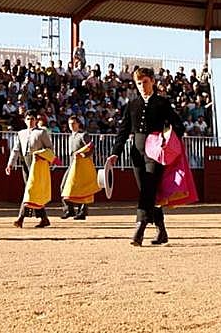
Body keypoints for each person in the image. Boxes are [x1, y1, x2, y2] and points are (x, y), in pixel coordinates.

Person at [105, 67, 184, 246]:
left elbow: (178, 125)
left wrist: (167, 139)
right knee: (148, 191)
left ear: (153, 82)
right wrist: (115, 153)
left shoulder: (162, 103)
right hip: (137, 153)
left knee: (148, 189)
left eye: (145, 82)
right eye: (139, 83)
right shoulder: (132, 105)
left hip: (156, 152)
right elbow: (123, 131)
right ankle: (161, 230)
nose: (142, 86)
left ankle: (139, 227)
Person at [5, 111, 54, 228]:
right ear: (24, 120)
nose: (30, 121)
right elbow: (16, 150)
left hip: (38, 163)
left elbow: (50, 149)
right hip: (25, 163)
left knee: (30, 190)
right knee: (32, 190)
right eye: (28, 119)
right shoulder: (21, 133)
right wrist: (10, 164)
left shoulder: (42, 133)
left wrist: (41, 155)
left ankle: (20, 218)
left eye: (32, 118)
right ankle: (44, 218)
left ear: (36, 120)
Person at [60, 115, 96, 220]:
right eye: (70, 124)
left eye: (74, 123)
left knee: (82, 188)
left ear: (78, 124)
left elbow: (91, 148)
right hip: (72, 164)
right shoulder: (71, 136)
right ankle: (69, 210)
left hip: (82, 165)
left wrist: (84, 155)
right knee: (64, 186)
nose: (71, 125)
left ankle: (82, 212)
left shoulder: (83, 135)